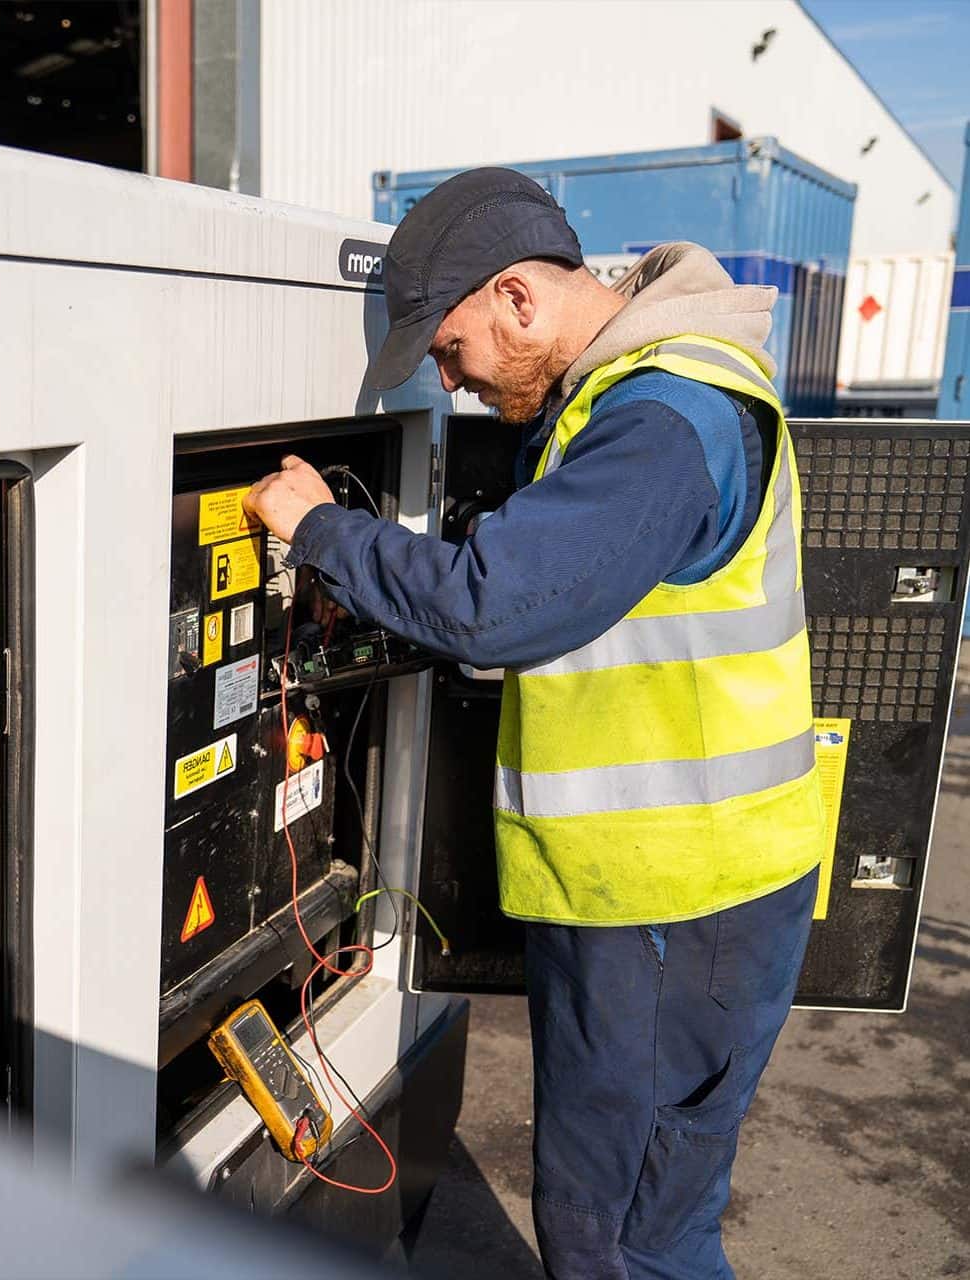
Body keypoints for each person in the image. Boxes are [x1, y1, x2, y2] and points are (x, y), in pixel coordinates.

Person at [244, 168, 824, 1280]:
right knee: (658, 1219)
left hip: (668, 908)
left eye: (449, 347)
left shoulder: (663, 418)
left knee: (620, 1239)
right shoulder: (634, 402)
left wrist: (322, 530)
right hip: (689, 897)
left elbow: (498, 604)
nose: (450, 380)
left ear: (517, 297)